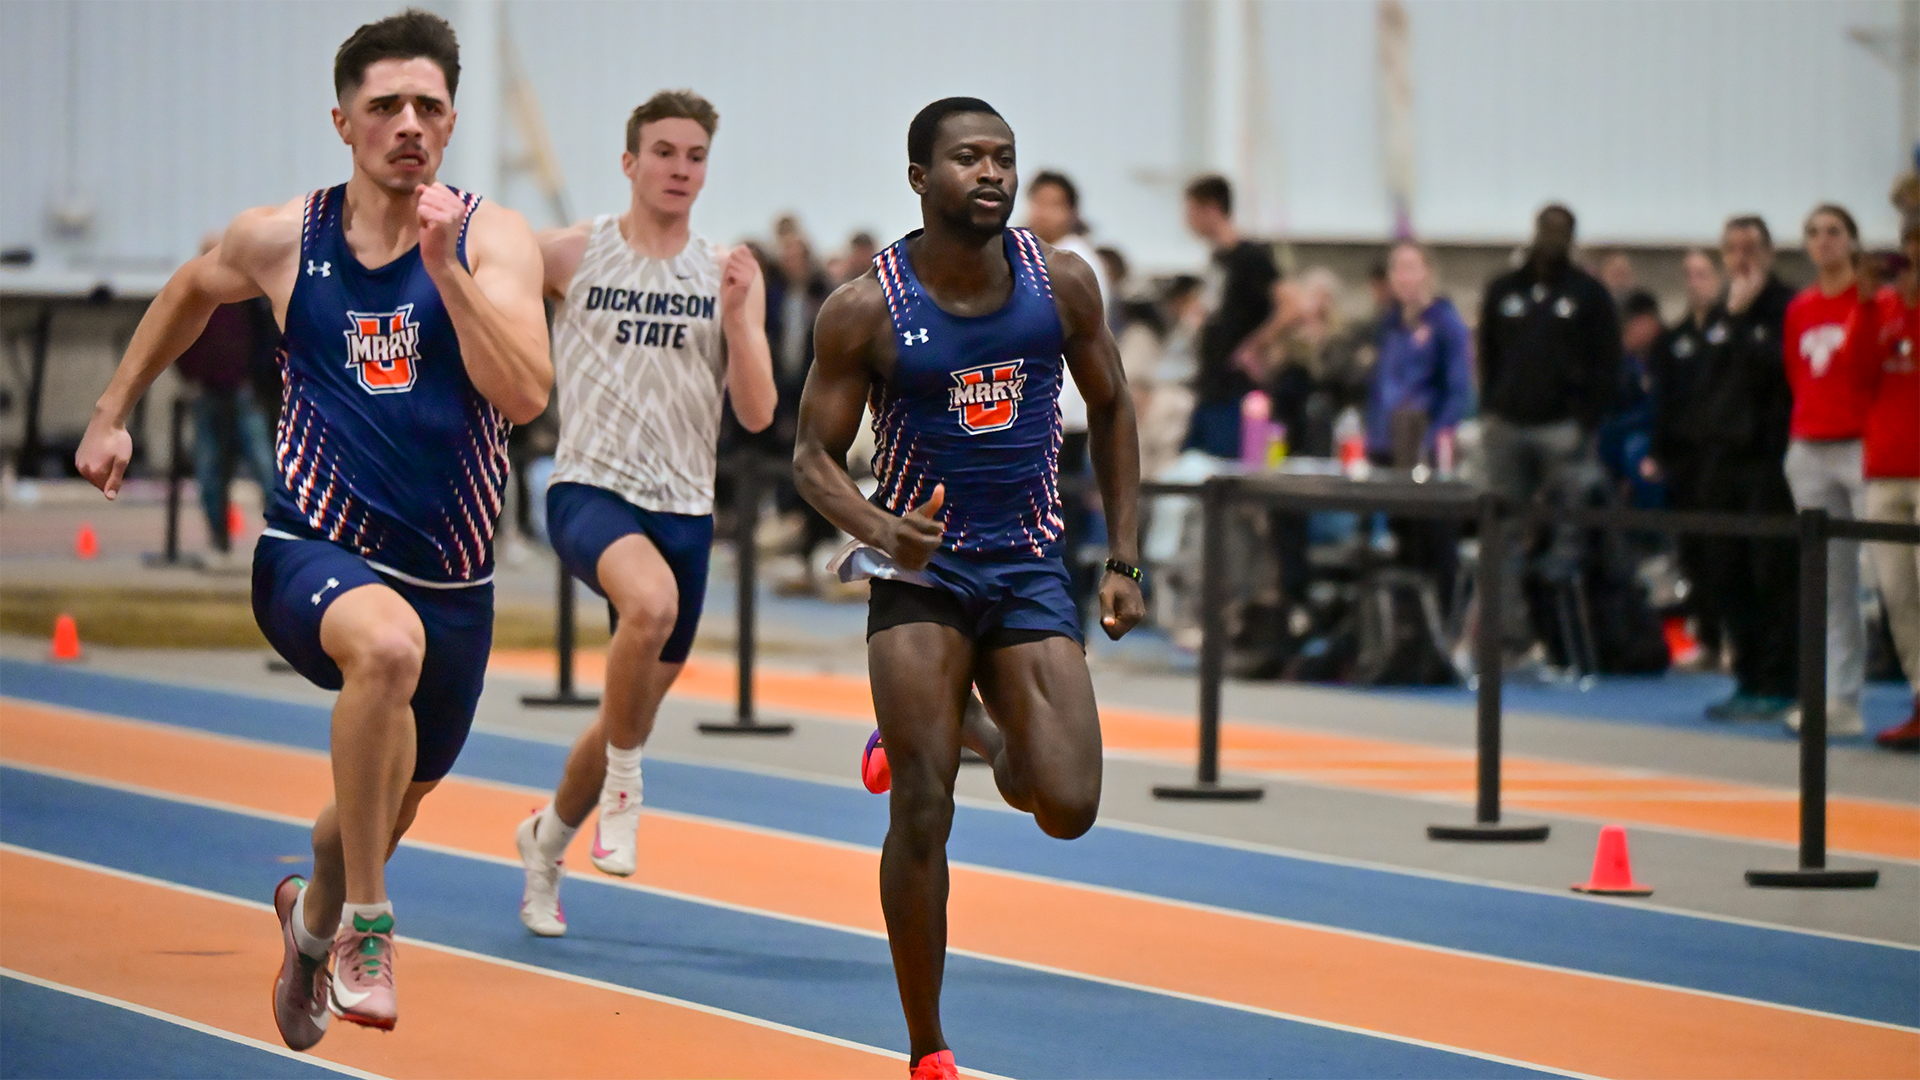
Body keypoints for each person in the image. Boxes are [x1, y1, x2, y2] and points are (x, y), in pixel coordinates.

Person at [74, 10, 551, 1045]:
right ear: (343, 122)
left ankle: (311, 919)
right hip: (312, 550)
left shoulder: (491, 239)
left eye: (428, 106)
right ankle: (367, 932)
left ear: (454, 120)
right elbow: (192, 289)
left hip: (455, 582)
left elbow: (523, 395)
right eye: (386, 106)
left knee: (381, 807)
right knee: (384, 645)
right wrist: (110, 412)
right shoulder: (287, 236)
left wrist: (450, 273)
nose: (409, 125)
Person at [792, 97, 1143, 1080]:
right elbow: (809, 459)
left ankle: (975, 728)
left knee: (1064, 801)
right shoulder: (866, 307)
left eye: (1004, 158)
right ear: (920, 179)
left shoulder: (1060, 284)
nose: (990, 173)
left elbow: (1113, 409)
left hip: (1029, 567)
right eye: (966, 159)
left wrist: (1123, 559)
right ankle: (928, 1047)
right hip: (922, 575)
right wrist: (876, 527)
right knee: (925, 804)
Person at [513, 89, 776, 936]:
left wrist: (739, 319)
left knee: (622, 711)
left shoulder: (726, 270)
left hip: (684, 511)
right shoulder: (569, 253)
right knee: (650, 607)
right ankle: (628, 787)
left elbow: (762, 411)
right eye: (663, 152)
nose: (679, 168)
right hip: (589, 486)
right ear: (630, 162)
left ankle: (545, 845)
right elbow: (478, 279)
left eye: (694, 156)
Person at [1476, 204, 1621, 660]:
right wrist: (1494, 406)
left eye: (1561, 231)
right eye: (1546, 229)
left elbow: (1607, 362)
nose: (1551, 238)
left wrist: (1584, 419)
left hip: (1563, 431)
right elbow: (1488, 352)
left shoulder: (1590, 295)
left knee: (1565, 536)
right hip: (1508, 426)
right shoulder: (1504, 290)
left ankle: (1562, 637)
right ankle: (1509, 635)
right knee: (1502, 533)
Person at [1694, 215, 1798, 720]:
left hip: (1769, 459)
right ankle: (1748, 676)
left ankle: (1781, 680)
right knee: (1727, 570)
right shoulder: (1718, 312)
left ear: (1770, 252)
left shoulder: (1786, 307)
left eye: (1751, 247)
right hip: (1722, 461)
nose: (1742, 258)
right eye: (1732, 248)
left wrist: (1738, 322)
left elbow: (1773, 371)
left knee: (1772, 572)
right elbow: (1703, 380)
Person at [1780, 205, 1874, 736]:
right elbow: (1798, 374)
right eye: (1813, 232)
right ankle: (1839, 700)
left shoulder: (1872, 302)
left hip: (1862, 447)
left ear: (1853, 241)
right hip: (1810, 446)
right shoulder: (1801, 308)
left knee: (1891, 576)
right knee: (1830, 583)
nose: (1823, 242)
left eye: (1834, 232)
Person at [1023, 169, 1109, 624]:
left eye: (1053, 204)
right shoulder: (1026, 256)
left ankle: (1070, 619)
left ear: (1072, 211)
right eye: (1036, 201)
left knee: (1064, 527)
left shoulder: (1075, 262)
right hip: (1035, 416)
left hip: (1065, 417)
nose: (1042, 212)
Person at [174, 234, 280, 568]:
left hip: (244, 394)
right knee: (210, 473)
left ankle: (283, 541)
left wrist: (257, 379)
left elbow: (268, 340)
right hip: (207, 395)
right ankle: (218, 543)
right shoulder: (192, 299)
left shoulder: (251, 297)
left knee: (267, 469)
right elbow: (175, 340)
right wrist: (191, 378)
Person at [1857, 218, 1920, 749]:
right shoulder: (1882, 310)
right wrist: (1864, 301)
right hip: (1885, 468)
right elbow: (1856, 373)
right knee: (1897, 596)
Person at [1647, 249, 1727, 667]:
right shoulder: (1672, 340)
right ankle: (1708, 637)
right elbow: (1661, 403)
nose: (1696, 281)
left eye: (1703, 273)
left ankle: (1734, 640)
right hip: (1684, 462)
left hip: (1724, 457)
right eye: (1689, 274)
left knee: (1726, 551)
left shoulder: (1732, 332)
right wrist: (1657, 453)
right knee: (1692, 552)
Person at [1181, 174, 1278, 458]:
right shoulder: (1218, 259)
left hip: (1235, 388)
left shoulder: (1250, 257)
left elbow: (1292, 304)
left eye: (1191, 211)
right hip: (1211, 382)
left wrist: (1255, 345)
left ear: (1211, 209)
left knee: (1224, 469)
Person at [1367, 242, 1472, 467]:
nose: (1403, 277)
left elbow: (1458, 389)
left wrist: (1435, 438)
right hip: (1383, 442)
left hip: (1423, 442)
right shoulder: (1388, 326)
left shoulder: (1446, 325)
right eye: (1397, 269)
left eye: (1410, 268)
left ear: (1428, 273)